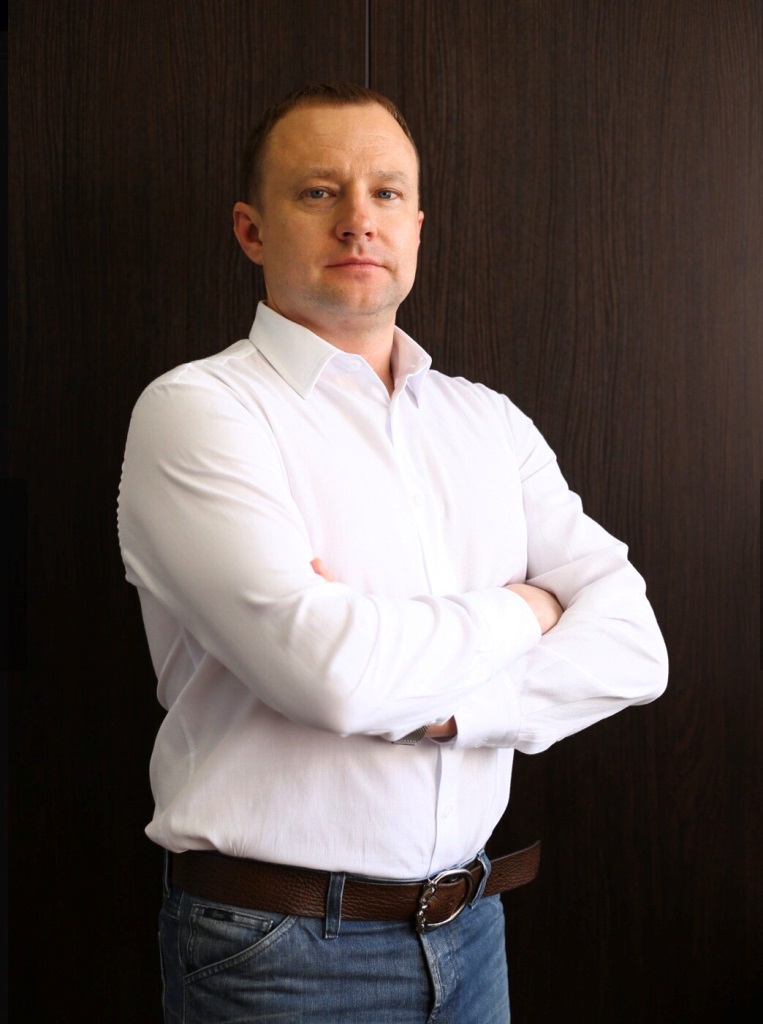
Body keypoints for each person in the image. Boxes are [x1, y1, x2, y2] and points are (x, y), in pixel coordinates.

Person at [118, 82, 668, 1023]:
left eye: (384, 193)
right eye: (317, 191)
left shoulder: (487, 423)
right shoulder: (198, 412)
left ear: (415, 226)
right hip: (277, 953)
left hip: (472, 930)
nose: (357, 220)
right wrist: (529, 608)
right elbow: (333, 677)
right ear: (251, 231)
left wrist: (446, 710)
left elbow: (634, 649)